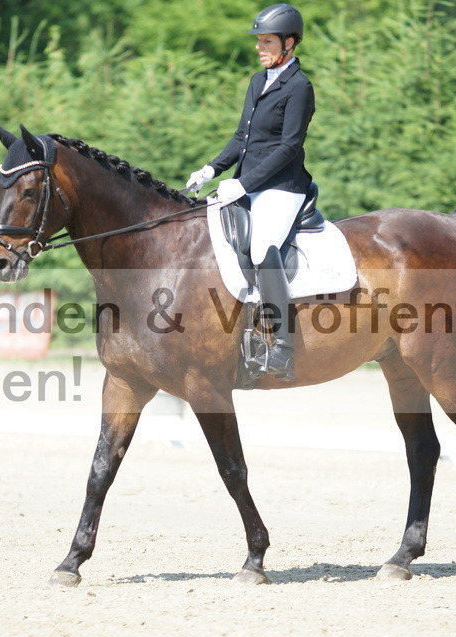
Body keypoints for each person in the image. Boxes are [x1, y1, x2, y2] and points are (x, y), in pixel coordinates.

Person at [186, 3, 315, 382]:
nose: (260, 47)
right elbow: (242, 137)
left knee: (261, 248)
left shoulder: (299, 87)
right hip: (247, 182)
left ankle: (282, 346)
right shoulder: (258, 81)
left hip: (282, 187)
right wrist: (212, 168)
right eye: (258, 41)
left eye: (267, 41)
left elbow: (288, 147)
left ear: (289, 43)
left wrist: (243, 183)